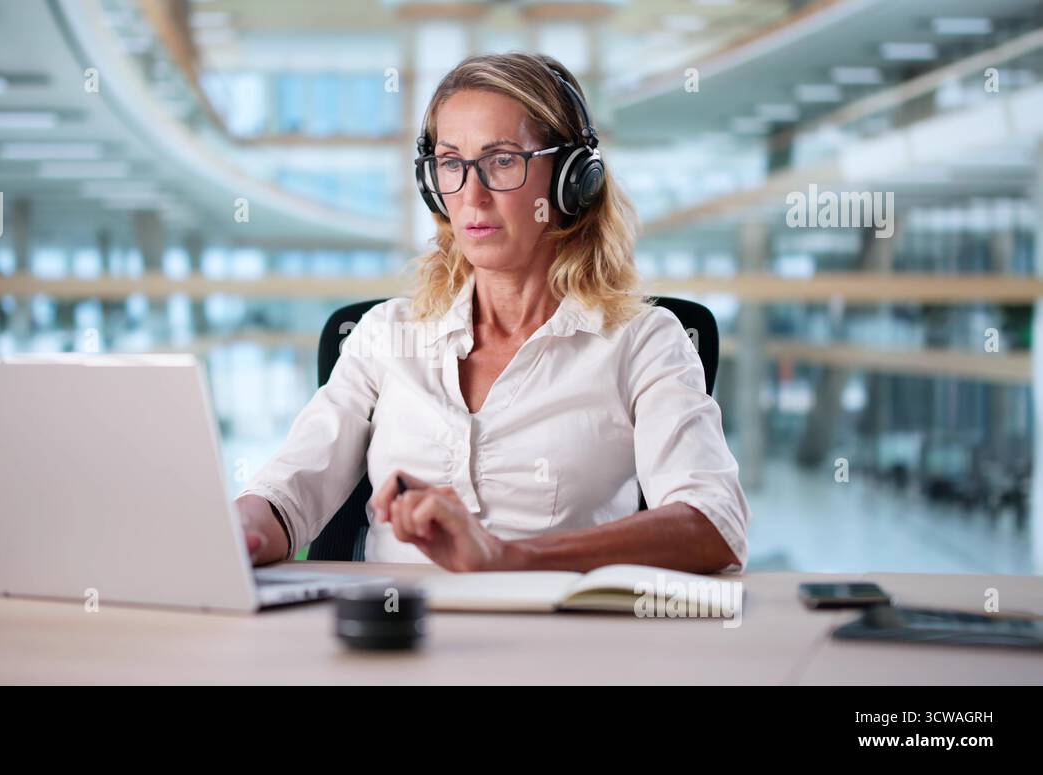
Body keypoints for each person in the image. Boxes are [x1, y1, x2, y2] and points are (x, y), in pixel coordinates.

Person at [236, 52, 751, 574]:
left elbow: (713, 524)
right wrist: (238, 532)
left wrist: (509, 557)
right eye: (451, 163)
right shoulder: (386, 336)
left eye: (503, 160)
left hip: (563, 643)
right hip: (397, 638)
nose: (472, 196)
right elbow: (283, 499)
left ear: (572, 179)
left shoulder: (644, 342)